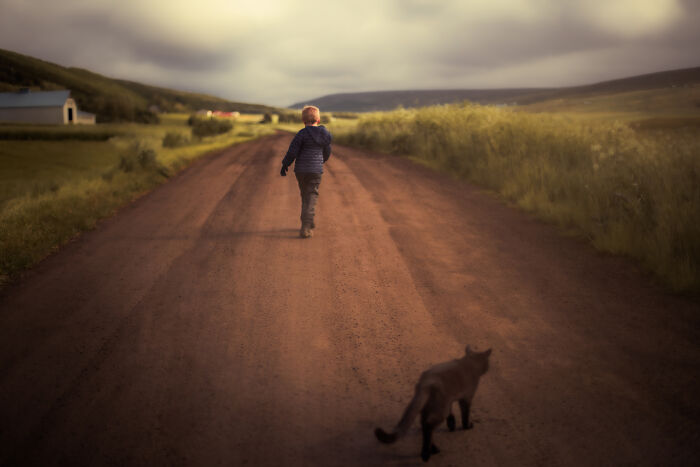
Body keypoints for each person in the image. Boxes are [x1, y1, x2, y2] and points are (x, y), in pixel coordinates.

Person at [280, 105, 332, 238]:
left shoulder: (301, 134)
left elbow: (292, 152)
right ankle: (306, 227)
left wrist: (285, 164)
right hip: (315, 170)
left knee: (305, 195)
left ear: (303, 121)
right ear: (318, 120)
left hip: (301, 171)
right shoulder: (324, 135)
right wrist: (321, 161)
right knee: (311, 196)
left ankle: (308, 222)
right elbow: (327, 152)